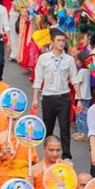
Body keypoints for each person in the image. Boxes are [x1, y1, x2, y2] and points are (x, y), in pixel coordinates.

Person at [33, 30, 77, 159]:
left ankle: (66, 155)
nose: (61, 43)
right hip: (48, 97)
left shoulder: (69, 60)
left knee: (65, 127)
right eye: (58, 40)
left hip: (64, 97)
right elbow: (38, 79)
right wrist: (35, 98)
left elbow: (74, 79)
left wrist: (78, 98)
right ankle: (48, 153)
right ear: (52, 42)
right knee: (48, 127)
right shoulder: (43, 58)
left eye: (63, 41)